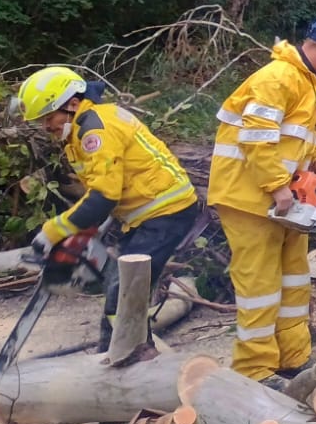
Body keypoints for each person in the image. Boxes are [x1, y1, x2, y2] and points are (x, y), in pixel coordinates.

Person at [209, 16, 316, 384]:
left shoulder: (310, 83)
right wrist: (279, 187)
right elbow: (257, 138)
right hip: (249, 197)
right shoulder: (277, 78)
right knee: (260, 287)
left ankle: (292, 357)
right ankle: (254, 369)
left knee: (294, 279)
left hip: (281, 200)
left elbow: (296, 136)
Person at [12, 66, 200, 352]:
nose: (46, 127)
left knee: (123, 297)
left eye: (49, 118)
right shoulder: (83, 126)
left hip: (166, 212)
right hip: (145, 214)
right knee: (118, 288)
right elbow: (103, 187)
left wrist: (52, 232)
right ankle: (114, 354)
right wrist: (81, 231)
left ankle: (135, 357)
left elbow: (103, 197)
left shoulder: (95, 129)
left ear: (72, 104)